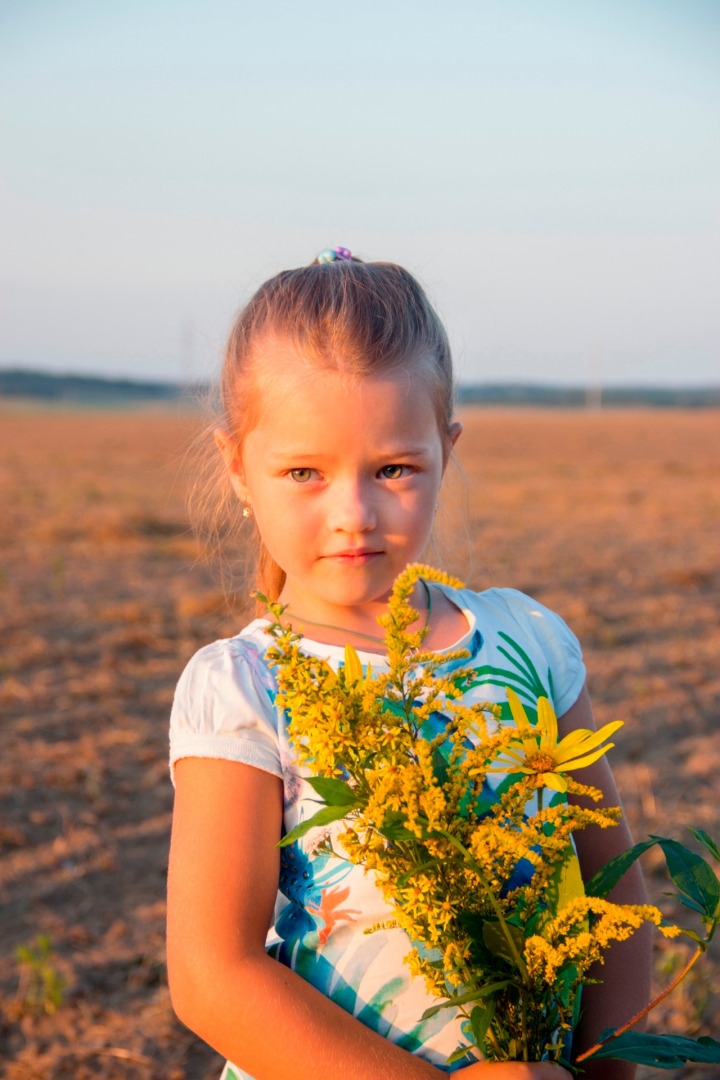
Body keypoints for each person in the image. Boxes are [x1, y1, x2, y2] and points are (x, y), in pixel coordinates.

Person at [166, 248, 651, 1080]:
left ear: (446, 449)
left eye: (394, 469)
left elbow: (614, 887)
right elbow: (214, 978)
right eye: (303, 473)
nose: (353, 513)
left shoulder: (527, 642)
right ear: (238, 468)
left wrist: (605, 1069)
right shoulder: (247, 689)